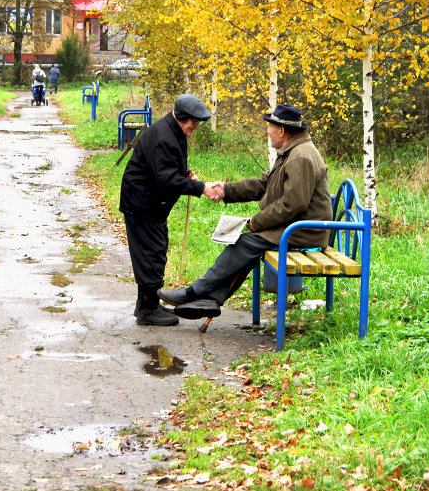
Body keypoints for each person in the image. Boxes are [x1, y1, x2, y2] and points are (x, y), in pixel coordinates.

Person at [158, 103, 333, 320]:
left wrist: (256, 222)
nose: (267, 131)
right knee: (249, 245)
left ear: (282, 130)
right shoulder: (293, 151)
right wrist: (226, 191)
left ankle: (195, 292)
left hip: (305, 231)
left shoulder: (300, 157)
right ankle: (211, 300)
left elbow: (292, 205)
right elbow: (263, 184)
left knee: (247, 243)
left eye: (270, 126)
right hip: (297, 226)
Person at [119, 94, 222, 326]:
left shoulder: (173, 130)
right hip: (142, 203)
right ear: (182, 117)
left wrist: (184, 174)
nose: (196, 126)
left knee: (156, 249)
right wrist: (200, 187)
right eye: (193, 122)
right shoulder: (164, 136)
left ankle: (150, 303)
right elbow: (165, 180)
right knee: (150, 254)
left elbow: (167, 169)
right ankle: (147, 309)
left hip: (150, 203)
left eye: (198, 122)